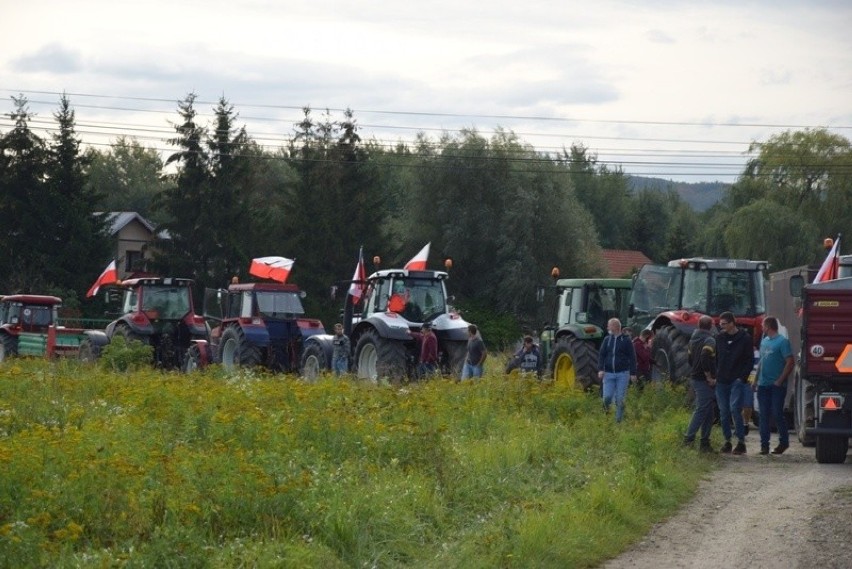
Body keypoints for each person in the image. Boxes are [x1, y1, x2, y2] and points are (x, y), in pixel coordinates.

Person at [715, 312, 753, 455]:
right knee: (723, 412)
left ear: (732, 323)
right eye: (720, 324)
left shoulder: (744, 339)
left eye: (724, 324)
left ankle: (741, 442)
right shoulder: (719, 338)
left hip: (736, 380)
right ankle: (727, 441)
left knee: (734, 409)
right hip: (721, 380)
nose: (721, 327)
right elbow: (716, 358)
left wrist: (741, 378)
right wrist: (715, 375)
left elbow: (749, 360)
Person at [756, 316, 794, 455]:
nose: (761, 327)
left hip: (776, 386)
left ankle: (784, 442)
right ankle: (764, 445)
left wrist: (780, 380)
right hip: (763, 385)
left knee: (777, 413)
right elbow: (762, 361)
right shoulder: (764, 342)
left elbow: (790, 362)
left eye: (763, 325)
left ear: (768, 326)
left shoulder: (782, 342)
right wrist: (755, 380)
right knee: (763, 414)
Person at [684, 316, 717, 452]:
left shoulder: (692, 339)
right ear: (711, 325)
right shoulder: (709, 340)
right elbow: (704, 356)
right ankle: (688, 439)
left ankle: (705, 442)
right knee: (701, 409)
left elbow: (690, 359)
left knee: (709, 411)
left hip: (695, 377)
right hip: (704, 379)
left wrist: (696, 369)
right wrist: (708, 375)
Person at [597, 318, 637, 423]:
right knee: (607, 397)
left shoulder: (626, 340)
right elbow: (602, 355)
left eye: (609, 326)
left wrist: (633, 373)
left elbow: (632, 357)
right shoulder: (607, 340)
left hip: (623, 374)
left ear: (615, 326)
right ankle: (606, 414)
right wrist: (601, 369)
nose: (607, 328)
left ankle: (618, 422)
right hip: (608, 373)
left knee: (620, 399)